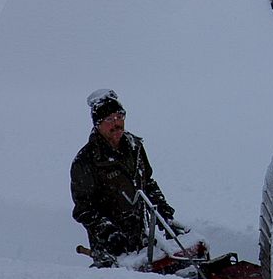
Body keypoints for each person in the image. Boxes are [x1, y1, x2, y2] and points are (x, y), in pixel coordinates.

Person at [70, 89, 188, 266]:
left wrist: (165, 215)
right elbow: (83, 209)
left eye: (119, 117)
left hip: (140, 241)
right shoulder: (86, 161)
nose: (116, 123)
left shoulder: (135, 147)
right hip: (111, 250)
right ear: (97, 124)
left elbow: (147, 183)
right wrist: (108, 233)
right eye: (109, 119)